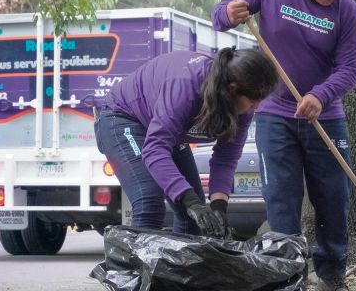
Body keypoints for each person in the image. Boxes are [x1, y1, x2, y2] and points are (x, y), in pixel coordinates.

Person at [211, 0, 356, 291]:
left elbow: (351, 68)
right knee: (281, 199)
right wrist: (229, 14)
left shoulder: (348, 11)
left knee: (333, 198)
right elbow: (220, 14)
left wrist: (320, 95)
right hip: (274, 115)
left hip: (324, 117)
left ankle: (332, 279)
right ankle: (288, 282)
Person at [94, 47, 278, 238]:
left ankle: (180, 268)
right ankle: (136, 267)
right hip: (124, 118)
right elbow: (155, 149)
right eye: (254, 100)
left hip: (164, 130)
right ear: (232, 89)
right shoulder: (185, 86)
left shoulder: (242, 109)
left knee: (194, 217)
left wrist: (218, 207)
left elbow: (226, 158)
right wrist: (191, 201)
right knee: (149, 202)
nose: (256, 107)